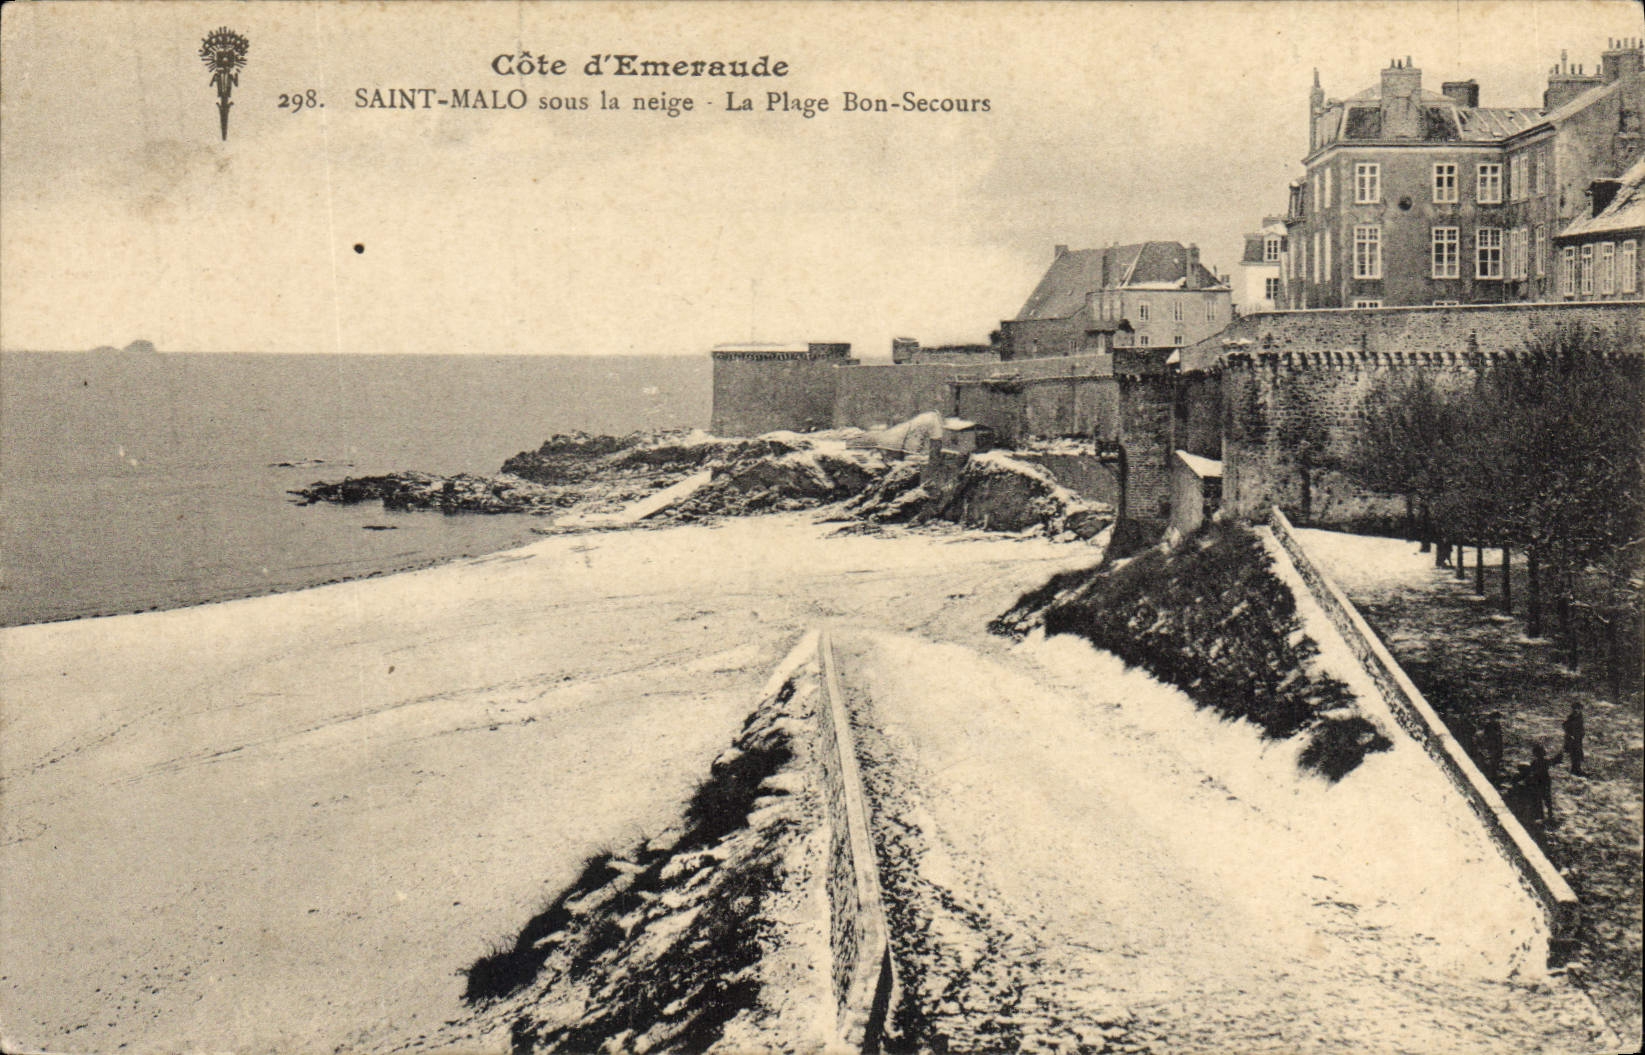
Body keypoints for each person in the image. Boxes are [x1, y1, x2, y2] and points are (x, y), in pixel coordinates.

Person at [1528, 744, 1563, 824]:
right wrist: (1559, 756)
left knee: (1541, 798)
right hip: (1544, 781)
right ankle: (1549, 815)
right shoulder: (1544, 761)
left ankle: (1543, 815)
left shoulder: (1534, 762)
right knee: (1546, 798)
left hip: (1539, 781)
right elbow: (1554, 761)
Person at [1478, 712, 1504, 786]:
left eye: (1497, 719)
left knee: (1496, 762)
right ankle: (1491, 778)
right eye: (1495, 718)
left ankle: (1494, 777)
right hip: (1491, 746)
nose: (1496, 720)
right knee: (1492, 762)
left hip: (1497, 747)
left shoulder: (1497, 726)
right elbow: (1487, 737)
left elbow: (1499, 738)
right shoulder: (1489, 726)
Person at [1562, 701, 1586, 777]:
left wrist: (1581, 734)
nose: (1577, 710)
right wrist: (1570, 734)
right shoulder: (1572, 718)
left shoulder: (1579, 717)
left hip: (1578, 739)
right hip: (1572, 739)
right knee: (1574, 754)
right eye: (1575, 709)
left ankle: (1577, 769)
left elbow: (1581, 728)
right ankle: (1575, 770)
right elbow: (1565, 726)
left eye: (1578, 709)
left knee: (1578, 754)